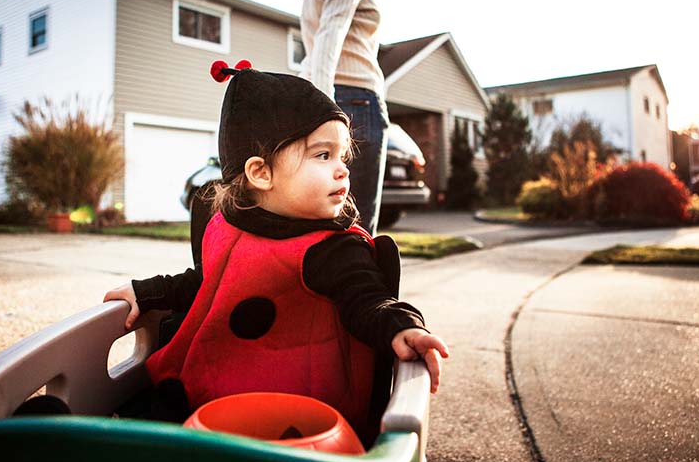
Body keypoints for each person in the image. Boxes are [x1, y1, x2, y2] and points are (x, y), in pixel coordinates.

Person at [103, 62, 448, 439]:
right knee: (142, 415)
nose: (343, 170)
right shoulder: (225, 226)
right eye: (322, 155)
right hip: (208, 396)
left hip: (295, 418)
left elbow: (367, 298)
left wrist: (402, 326)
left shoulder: (331, 247)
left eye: (342, 156)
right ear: (261, 173)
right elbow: (206, 281)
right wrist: (146, 292)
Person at [300, 0, 388, 235]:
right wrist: (324, 104)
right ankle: (365, 290)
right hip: (354, 102)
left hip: (334, 94)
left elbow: (316, 45)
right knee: (358, 228)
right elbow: (329, 35)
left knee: (327, 223)